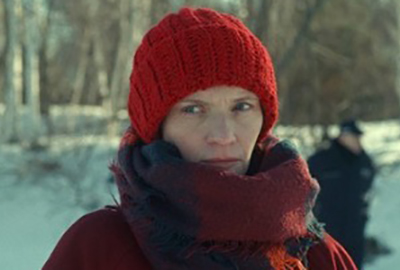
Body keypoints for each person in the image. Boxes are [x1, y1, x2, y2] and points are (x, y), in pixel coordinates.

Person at [42, 7, 357, 270]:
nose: (223, 135)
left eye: (241, 107)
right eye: (193, 109)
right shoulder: (99, 248)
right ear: (157, 126)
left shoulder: (314, 254)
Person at [308, 120, 376, 269]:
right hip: (327, 229)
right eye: (354, 137)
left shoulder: (364, 162)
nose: (358, 141)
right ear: (343, 137)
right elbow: (304, 187)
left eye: (359, 137)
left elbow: (368, 190)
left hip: (355, 229)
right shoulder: (322, 160)